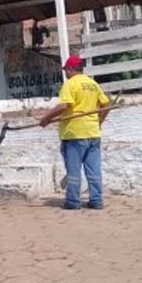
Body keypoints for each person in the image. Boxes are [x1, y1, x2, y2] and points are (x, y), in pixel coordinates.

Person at [37, 56, 110, 210]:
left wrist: (46, 118)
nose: (65, 73)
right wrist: (98, 122)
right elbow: (106, 105)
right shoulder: (92, 84)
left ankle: (73, 202)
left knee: (73, 170)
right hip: (93, 133)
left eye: (66, 70)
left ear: (70, 69)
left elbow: (64, 106)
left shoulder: (70, 84)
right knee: (94, 170)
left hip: (74, 134)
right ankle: (96, 200)